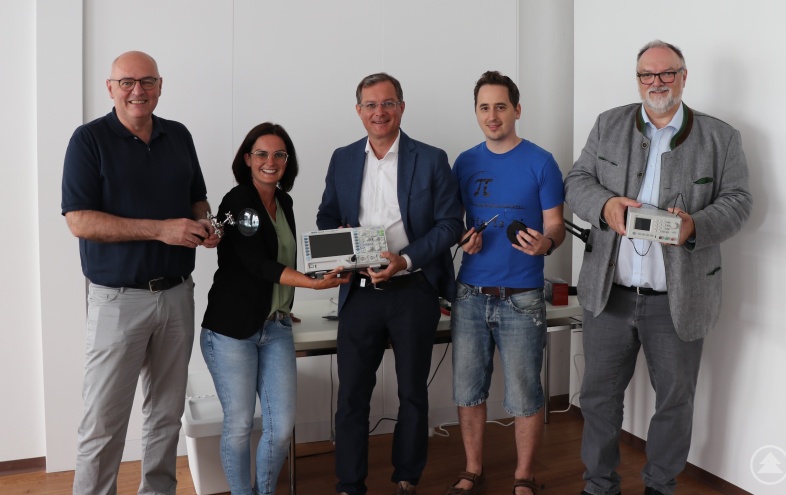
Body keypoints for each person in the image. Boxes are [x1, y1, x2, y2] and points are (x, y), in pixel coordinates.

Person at [564, 40, 752, 495]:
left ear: (684, 77)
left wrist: (695, 228)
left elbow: (739, 201)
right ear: (638, 79)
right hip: (609, 293)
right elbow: (576, 182)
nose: (657, 83)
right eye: (647, 75)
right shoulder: (608, 124)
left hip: (679, 300)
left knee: (675, 401)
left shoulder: (720, 136)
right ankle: (599, 485)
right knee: (598, 399)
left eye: (667, 73)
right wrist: (606, 205)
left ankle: (660, 486)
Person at [61, 51, 220, 494]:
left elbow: (197, 199)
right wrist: (161, 231)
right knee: (103, 424)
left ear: (160, 85)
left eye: (147, 81)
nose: (138, 90)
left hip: (177, 296)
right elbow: (79, 221)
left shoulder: (178, 135)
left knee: (166, 416)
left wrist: (202, 225)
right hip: (117, 301)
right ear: (110, 87)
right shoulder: (88, 140)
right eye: (127, 82)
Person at [317, 72, 462, 495]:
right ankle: (349, 482)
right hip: (359, 293)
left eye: (388, 103)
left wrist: (407, 260)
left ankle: (406, 476)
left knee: (413, 392)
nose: (379, 112)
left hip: (413, 290)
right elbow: (327, 215)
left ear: (401, 107)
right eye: (370, 105)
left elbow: (451, 223)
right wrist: (340, 243)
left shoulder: (431, 158)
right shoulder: (342, 158)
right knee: (352, 396)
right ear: (358, 110)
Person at [200, 122, 350, 495]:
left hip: (276, 326)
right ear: (248, 159)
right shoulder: (238, 202)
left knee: (281, 427)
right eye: (262, 154)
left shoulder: (284, 202)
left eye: (279, 154)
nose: (271, 161)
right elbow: (258, 264)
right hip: (232, 330)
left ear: (288, 160)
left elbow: (279, 257)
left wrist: (282, 302)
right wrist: (311, 282)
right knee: (238, 424)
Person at [446, 71, 565, 495]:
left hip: (523, 298)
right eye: (484, 107)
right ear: (476, 112)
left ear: (517, 109)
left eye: (500, 106)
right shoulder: (464, 162)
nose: (492, 115)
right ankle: (472, 469)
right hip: (470, 294)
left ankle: (523, 476)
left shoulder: (542, 161)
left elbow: (556, 225)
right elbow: (453, 225)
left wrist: (545, 244)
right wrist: (465, 240)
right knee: (468, 390)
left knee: (525, 392)